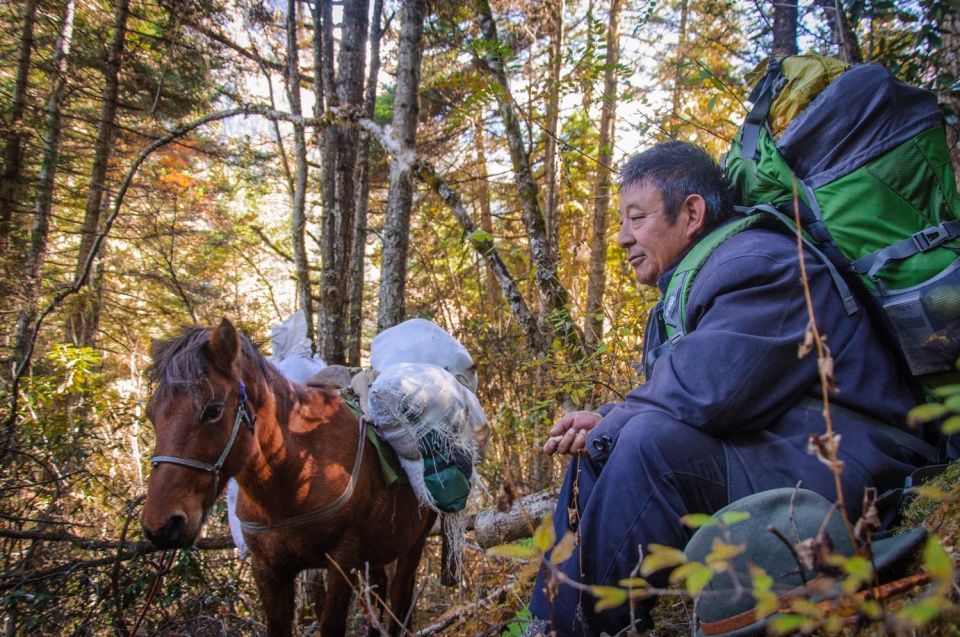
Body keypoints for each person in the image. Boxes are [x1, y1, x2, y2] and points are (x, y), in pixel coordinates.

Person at [526, 141, 934, 635]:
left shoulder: (759, 262)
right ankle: (547, 622)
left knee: (644, 444)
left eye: (636, 218)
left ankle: (580, 628)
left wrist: (615, 422)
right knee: (600, 447)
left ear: (691, 213)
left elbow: (709, 392)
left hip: (853, 461)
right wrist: (607, 419)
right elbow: (697, 388)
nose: (622, 237)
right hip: (789, 452)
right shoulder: (703, 277)